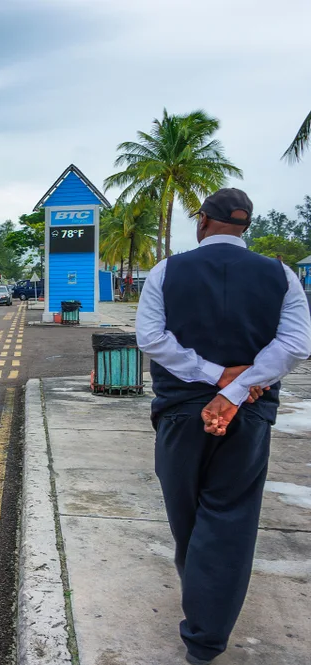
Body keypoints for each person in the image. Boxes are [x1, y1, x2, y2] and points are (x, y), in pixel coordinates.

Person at [136, 188, 311, 665]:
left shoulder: (167, 271)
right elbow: (296, 345)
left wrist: (219, 381)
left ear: (202, 222)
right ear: (245, 227)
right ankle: (205, 638)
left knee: (187, 518)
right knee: (230, 520)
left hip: (180, 413)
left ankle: (202, 620)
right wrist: (239, 386)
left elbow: (150, 337)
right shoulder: (282, 275)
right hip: (250, 414)